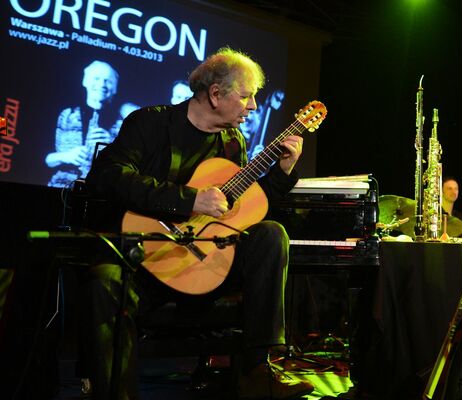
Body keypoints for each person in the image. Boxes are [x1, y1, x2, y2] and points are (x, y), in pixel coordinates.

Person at [82, 47, 314, 399]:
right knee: (104, 280)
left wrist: (282, 174)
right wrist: (189, 200)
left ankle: (258, 370)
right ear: (216, 94)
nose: (253, 106)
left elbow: (245, 205)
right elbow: (108, 175)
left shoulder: (232, 142)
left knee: (270, 234)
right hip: (145, 264)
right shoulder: (150, 123)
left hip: (204, 265)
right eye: (246, 96)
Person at [46, 60, 121, 187]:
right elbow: (45, 159)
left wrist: (113, 146)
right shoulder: (65, 115)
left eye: (108, 81)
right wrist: (66, 156)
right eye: (96, 78)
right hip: (60, 188)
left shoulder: (123, 124)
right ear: (85, 81)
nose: (102, 84)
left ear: (115, 89)